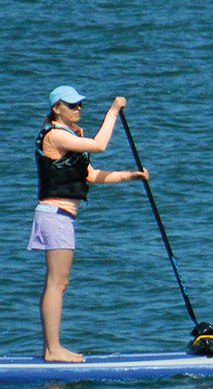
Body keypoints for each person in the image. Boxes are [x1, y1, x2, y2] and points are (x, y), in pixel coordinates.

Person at [29, 85, 149, 362]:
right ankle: (53, 349)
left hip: (61, 216)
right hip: (55, 215)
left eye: (79, 104)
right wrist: (113, 111)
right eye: (71, 105)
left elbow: (91, 175)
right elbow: (100, 145)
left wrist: (131, 176)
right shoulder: (55, 135)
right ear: (56, 109)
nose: (78, 109)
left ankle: (51, 348)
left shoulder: (70, 137)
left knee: (59, 283)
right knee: (57, 283)